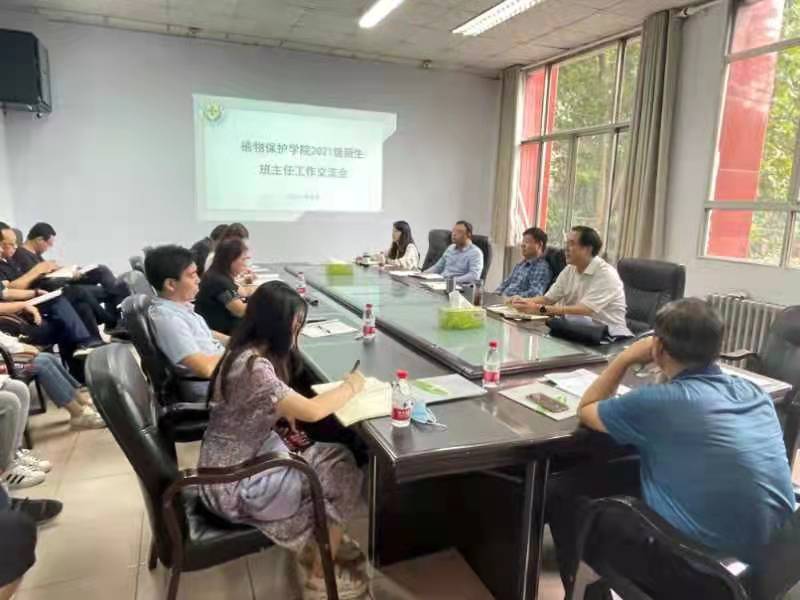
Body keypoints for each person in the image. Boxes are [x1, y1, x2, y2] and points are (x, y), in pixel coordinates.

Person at [546, 298, 796, 597]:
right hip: (774, 562)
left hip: (707, 575)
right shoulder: (753, 392)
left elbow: (587, 408)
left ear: (658, 347)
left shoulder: (659, 403)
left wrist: (624, 358)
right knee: (632, 466)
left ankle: (581, 590)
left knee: (562, 494)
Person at [199, 281, 368, 599]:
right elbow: (313, 411)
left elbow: (258, 405)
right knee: (341, 468)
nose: (296, 333)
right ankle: (321, 577)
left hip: (225, 463)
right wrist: (352, 386)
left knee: (327, 454)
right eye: (295, 326)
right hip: (234, 484)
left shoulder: (241, 352)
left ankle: (323, 540)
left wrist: (282, 412)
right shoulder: (255, 368)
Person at [511, 226, 631, 337]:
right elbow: (548, 299)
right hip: (578, 330)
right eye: (566, 244)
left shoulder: (606, 274)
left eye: (572, 244)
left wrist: (540, 309)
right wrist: (523, 301)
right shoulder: (570, 269)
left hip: (610, 336)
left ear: (587, 249)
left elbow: (584, 310)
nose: (566, 249)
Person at [145, 245, 226, 403]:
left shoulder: (179, 308)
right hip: (212, 388)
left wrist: (239, 341)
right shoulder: (168, 319)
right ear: (171, 284)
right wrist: (237, 357)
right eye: (192, 275)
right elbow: (204, 369)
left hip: (221, 374)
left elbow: (206, 335)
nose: (198, 280)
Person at [12, 222, 130, 328]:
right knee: (108, 291)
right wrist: (62, 275)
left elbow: (45, 274)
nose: (49, 248)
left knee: (101, 270)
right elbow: (37, 282)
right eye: (49, 244)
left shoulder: (36, 255)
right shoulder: (21, 255)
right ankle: (117, 319)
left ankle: (119, 315)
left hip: (60, 282)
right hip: (53, 289)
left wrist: (65, 271)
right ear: (39, 240)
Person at [0, 330, 103, 430]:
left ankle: (82, 401)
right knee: (41, 365)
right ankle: (77, 414)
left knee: (48, 357)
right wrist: (24, 348)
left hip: (7, 358)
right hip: (5, 365)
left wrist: (21, 345)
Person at [196, 238, 253, 335]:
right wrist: (263, 301)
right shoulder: (219, 282)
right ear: (231, 260)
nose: (245, 264)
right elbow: (240, 311)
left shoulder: (218, 274)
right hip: (223, 332)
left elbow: (242, 291)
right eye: (243, 260)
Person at [496, 227, 553, 298]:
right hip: (503, 301)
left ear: (539, 245)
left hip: (516, 302)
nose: (522, 245)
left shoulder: (542, 268)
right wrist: (495, 296)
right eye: (523, 241)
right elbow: (505, 284)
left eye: (527, 242)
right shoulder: (520, 265)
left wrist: (512, 298)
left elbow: (535, 293)